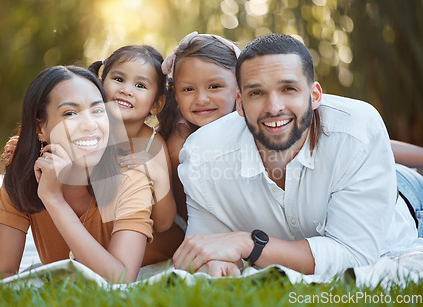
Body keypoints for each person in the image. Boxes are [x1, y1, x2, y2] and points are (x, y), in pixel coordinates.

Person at [172, 33, 422, 277]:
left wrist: (250, 243)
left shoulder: (356, 128)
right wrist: (216, 263)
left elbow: (353, 255)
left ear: (314, 96)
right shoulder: (201, 156)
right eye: (256, 93)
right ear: (239, 102)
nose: (274, 107)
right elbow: (208, 248)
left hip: (408, 198)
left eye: (289, 89)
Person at [0, 66, 155, 283]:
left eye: (97, 110)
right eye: (70, 113)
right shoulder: (23, 181)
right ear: (40, 129)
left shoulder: (131, 179)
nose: (89, 125)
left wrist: (54, 199)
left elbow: (120, 280)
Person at [89, 45, 184, 262]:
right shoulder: (88, 128)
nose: (126, 89)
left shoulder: (152, 145)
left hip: (156, 237)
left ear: (157, 104)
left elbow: (163, 223)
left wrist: (158, 176)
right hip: (110, 226)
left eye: (140, 85)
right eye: (119, 79)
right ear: (100, 83)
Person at [158, 32, 241, 222]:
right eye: (188, 89)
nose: (201, 99)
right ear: (176, 95)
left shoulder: (259, 129)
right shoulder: (179, 144)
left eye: (214, 86)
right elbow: (189, 218)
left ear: (239, 87)